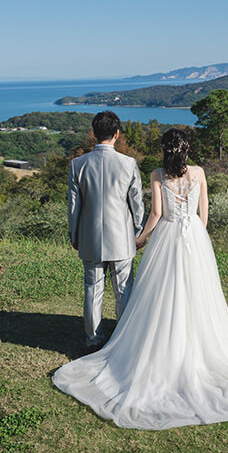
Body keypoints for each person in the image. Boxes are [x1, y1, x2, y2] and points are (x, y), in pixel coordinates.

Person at [53, 128, 228, 430]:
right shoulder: (200, 172)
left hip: (167, 235)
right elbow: (204, 214)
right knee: (197, 292)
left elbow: (156, 214)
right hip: (194, 238)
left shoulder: (158, 174)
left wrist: (141, 238)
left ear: (165, 149)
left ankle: (151, 340)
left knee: (162, 293)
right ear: (186, 148)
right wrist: (195, 236)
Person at [67, 111, 146, 350]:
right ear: (117, 134)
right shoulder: (128, 164)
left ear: (93, 133)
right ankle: (123, 340)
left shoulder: (78, 164)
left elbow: (74, 206)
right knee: (124, 290)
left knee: (93, 289)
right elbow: (137, 202)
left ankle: (93, 339)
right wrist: (138, 231)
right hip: (122, 237)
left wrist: (74, 234)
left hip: (90, 237)